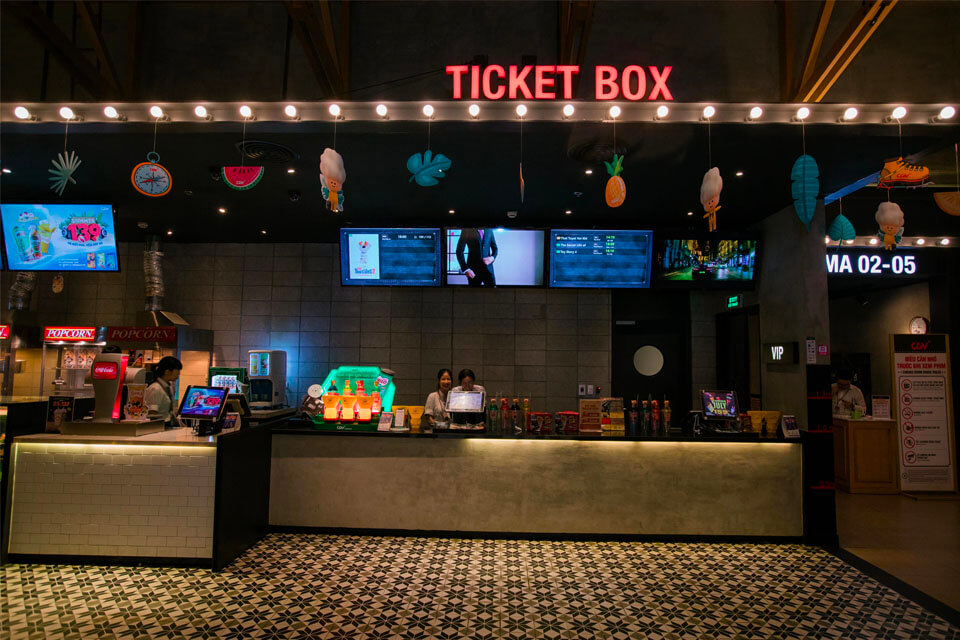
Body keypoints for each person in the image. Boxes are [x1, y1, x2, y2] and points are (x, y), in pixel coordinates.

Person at [145, 356, 183, 427]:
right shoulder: (155, 388)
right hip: (160, 426)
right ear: (167, 371)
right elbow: (152, 414)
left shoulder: (168, 387)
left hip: (167, 425)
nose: (178, 374)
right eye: (177, 370)